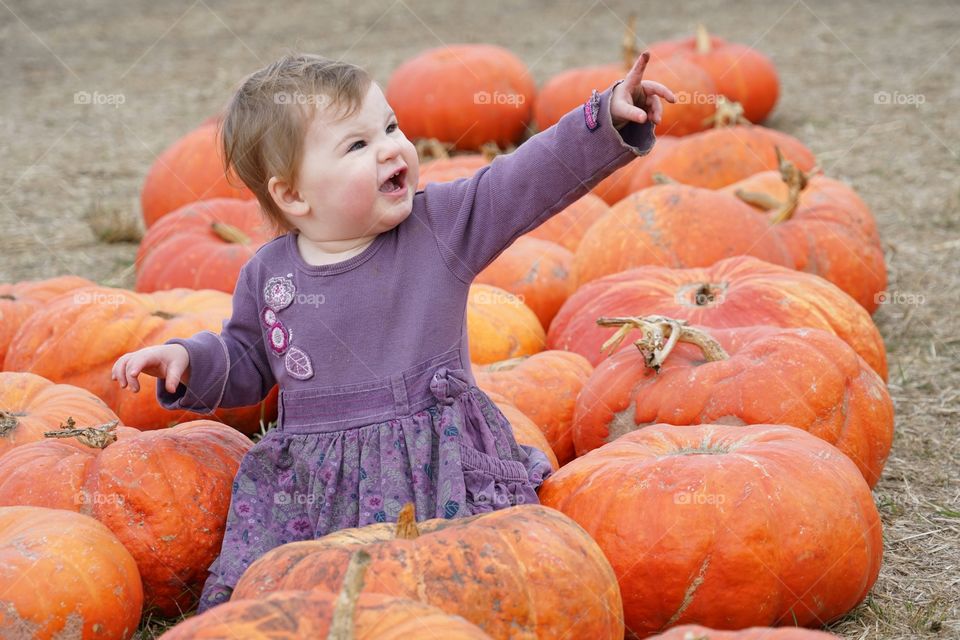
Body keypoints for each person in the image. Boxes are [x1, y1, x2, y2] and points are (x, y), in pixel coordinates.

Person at [111, 50, 675, 612]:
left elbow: (521, 179)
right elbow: (249, 358)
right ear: (292, 194)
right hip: (319, 487)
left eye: (389, 126)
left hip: (435, 463)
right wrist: (190, 360)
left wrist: (603, 121)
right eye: (357, 145)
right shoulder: (269, 273)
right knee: (310, 602)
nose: (390, 148)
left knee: (461, 588)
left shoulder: (441, 227)